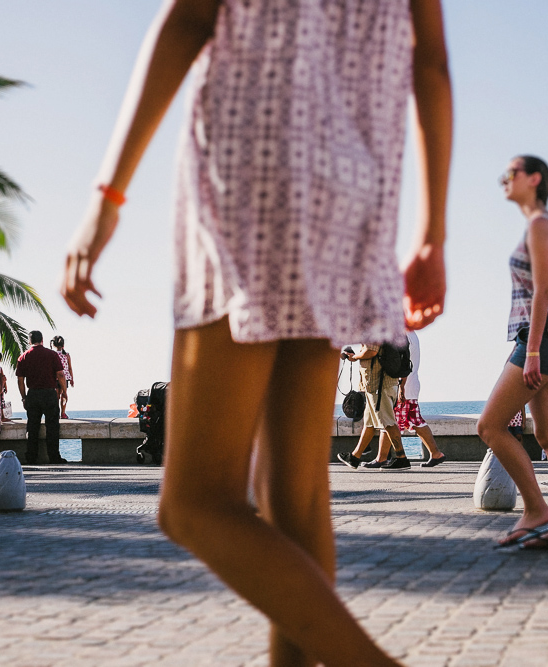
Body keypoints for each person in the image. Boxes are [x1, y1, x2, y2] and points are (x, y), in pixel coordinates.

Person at [60, 1, 451, 664]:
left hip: (251, 170)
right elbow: (431, 60)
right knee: (294, 499)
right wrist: (432, 232)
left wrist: (107, 197)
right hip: (351, 192)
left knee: (193, 502)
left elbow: (189, 18)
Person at [476, 155, 548, 551]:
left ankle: (537, 509)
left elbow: (542, 291)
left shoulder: (539, 224)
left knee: (489, 426)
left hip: (544, 339)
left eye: (512, 173)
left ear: (534, 179)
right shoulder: (541, 224)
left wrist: (534, 351)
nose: (505, 178)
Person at [338, 344, 412, 471]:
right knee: (370, 423)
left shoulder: (372, 328)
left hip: (379, 384)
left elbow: (371, 351)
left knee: (388, 422)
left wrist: (355, 357)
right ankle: (354, 457)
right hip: (378, 384)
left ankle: (401, 459)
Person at [16, 331, 68, 465]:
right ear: (43, 340)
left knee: (32, 427)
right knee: (52, 427)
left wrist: (24, 397)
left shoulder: (23, 357)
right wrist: (64, 392)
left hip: (33, 394)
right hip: (49, 394)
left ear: (29, 341)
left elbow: (20, 380)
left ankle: (31, 457)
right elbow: (61, 374)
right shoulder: (51, 354)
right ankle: (54, 457)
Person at [396, 330, 445, 467]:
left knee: (392, 422)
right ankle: (436, 453)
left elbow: (402, 363)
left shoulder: (402, 335)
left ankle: (384, 458)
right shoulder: (412, 334)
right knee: (415, 420)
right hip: (410, 384)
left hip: (404, 386)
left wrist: (401, 387)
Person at [51, 336, 74, 419]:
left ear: (53, 344)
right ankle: (63, 413)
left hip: (54, 377)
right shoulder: (66, 355)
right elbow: (70, 368)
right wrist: (71, 378)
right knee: (64, 394)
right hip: (65, 378)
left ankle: (56, 413)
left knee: (56, 396)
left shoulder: (52, 355)